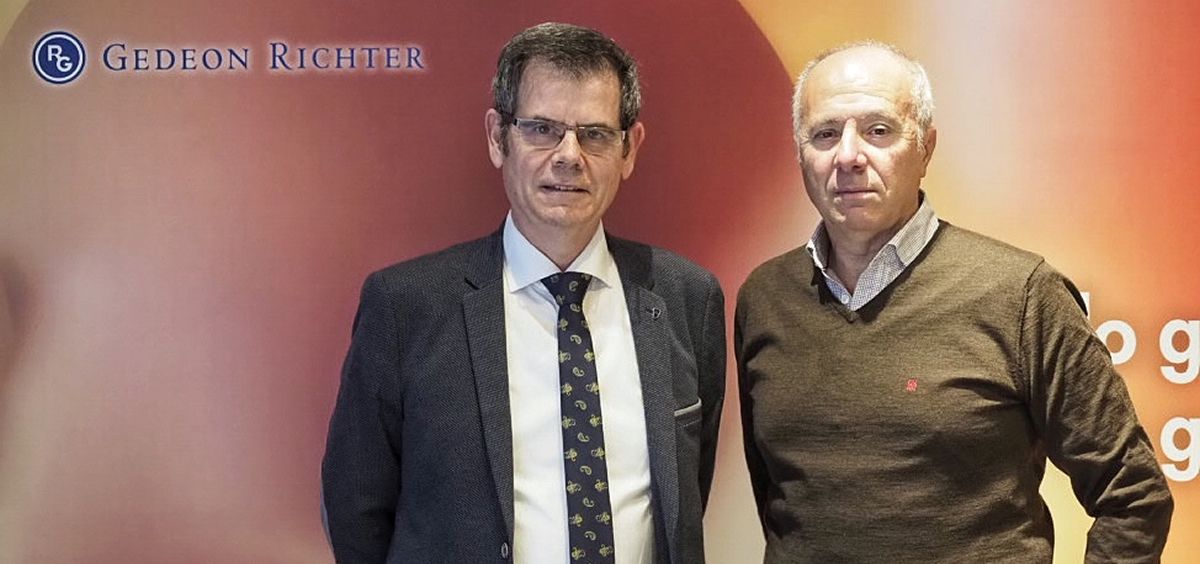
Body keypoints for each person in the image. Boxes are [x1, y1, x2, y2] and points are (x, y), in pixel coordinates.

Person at [736, 42, 1173, 562]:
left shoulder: (1021, 293)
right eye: (825, 134)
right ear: (800, 153)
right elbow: (779, 503)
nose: (848, 156)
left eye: (879, 130)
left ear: (926, 147)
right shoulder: (764, 297)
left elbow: (1133, 496)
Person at [322, 22, 725, 564]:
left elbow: (687, 494)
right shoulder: (405, 306)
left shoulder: (686, 298)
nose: (569, 155)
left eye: (595, 134)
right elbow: (356, 509)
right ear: (498, 138)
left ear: (629, 149)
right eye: (541, 129)